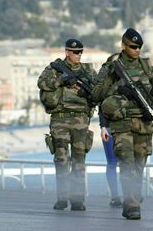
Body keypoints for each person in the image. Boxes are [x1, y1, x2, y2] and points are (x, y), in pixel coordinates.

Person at [92, 28, 153, 220]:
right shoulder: (110, 69)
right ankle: (132, 205)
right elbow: (97, 94)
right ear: (123, 45)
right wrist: (117, 86)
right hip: (121, 124)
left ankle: (132, 199)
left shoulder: (148, 68)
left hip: (144, 123)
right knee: (126, 163)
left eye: (139, 47)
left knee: (139, 165)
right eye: (133, 46)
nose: (137, 50)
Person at [37, 38, 96, 211]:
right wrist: (59, 81)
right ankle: (62, 198)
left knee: (79, 160)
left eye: (80, 52)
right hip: (60, 119)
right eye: (75, 52)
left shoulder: (88, 70)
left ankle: (77, 199)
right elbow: (41, 83)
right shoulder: (54, 69)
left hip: (80, 119)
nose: (78, 55)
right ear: (67, 52)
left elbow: (97, 91)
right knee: (61, 159)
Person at [99, 109, 122, 208]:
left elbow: (101, 107)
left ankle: (115, 197)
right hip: (125, 128)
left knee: (112, 163)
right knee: (127, 162)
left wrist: (103, 127)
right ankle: (129, 196)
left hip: (109, 127)